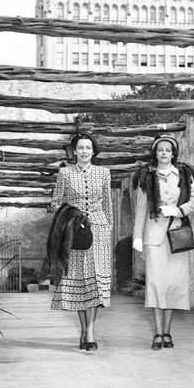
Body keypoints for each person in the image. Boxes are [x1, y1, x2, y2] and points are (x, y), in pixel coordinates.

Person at [133, 135, 194, 350]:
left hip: (176, 235)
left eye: (167, 150)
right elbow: (141, 209)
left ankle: (168, 332)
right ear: (155, 153)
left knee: (173, 285)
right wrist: (137, 236)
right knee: (155, 284)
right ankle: (157, 333)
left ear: (173, 154)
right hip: (154, 237)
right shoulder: (147, 177)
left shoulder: (183, 174)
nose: (163, 153)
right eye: (160, 150)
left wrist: (178, 210)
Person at [50, 133, 112, 351]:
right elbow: (56, 202)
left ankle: (91, 332)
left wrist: (108, 229)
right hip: (74, 232)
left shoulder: (104, 173)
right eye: (80, 148)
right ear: (74, 151)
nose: (84, 151)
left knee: (95, 281)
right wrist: (71, 214)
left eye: (88, 148)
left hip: (99, 231)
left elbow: (108, 205)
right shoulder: (64, 173)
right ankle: (84, 330)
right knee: (80, 281)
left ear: (93, 151)